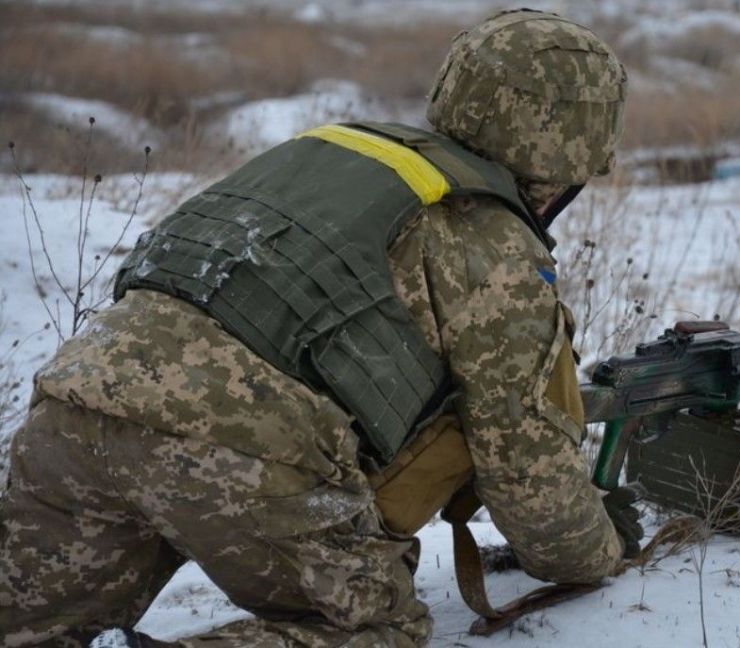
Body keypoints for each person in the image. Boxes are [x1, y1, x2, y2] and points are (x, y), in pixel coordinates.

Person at [0, 9, 641, 647]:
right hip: (235, 450)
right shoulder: (493, 242)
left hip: (71, 411)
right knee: (372, 631)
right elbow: (527, 472)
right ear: (571, 161)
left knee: (25, 629)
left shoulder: (329, 150)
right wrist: (600, 553)